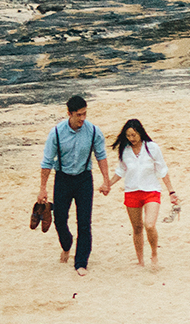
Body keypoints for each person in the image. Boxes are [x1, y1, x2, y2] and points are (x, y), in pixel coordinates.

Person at [36, 94, 113, 275]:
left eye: (85, 114)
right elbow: (47, 161)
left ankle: (81, 262)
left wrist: (106, 180)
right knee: (60, 219)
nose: (82, 118)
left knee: (84, 222)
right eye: (79, 115)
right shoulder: (56, 132)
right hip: (62, 178)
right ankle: (67, 243)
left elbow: (100, 155)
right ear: (69, 113)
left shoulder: (93, 131)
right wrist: (42, 188)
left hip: (84, 178)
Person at [111, 118, 178, 267]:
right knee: (137, 228)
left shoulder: (152, 148)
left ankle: (154, 254)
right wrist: (108, 184)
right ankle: (140, 260)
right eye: (128, 136)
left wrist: (171, 192)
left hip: (151, 191)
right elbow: (121, 171)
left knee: (149, 225)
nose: (131, 139)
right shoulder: (125, 150)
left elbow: (162, 170)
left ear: (140, 133)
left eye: (134, 135)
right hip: (131, 192)